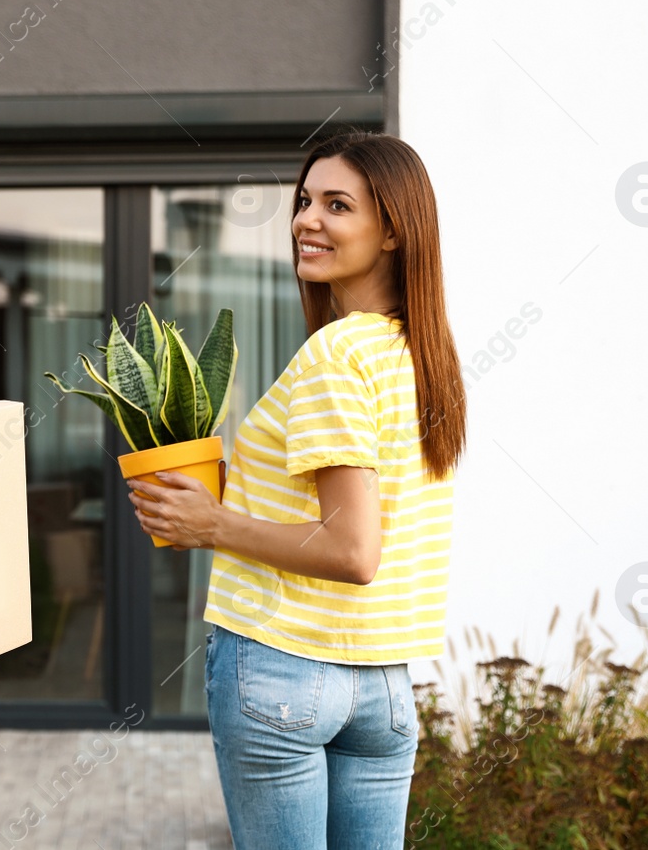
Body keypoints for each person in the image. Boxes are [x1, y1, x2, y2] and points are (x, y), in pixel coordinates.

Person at [126, 131, 466, 848]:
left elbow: (352, 548)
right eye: (306, 201)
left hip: (283, 665)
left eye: (337, 205)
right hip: (383, 684)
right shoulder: (423, 354)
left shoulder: (335, 355)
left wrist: (210, 523)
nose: (307, 220)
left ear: (395, 230)